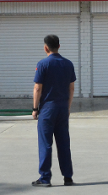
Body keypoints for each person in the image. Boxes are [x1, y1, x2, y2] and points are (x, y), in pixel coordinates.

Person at [32, 34, 76, 187]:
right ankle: (68, 177)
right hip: (62, 108)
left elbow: (38, 88)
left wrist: (35, 109)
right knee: (63, 142)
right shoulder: (68, 64)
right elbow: (71, 88)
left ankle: (45, 178)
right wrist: (68, 107)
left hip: (48, 109)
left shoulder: (43, 64)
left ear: (46, 48)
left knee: (45, 143)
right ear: (59, 46)